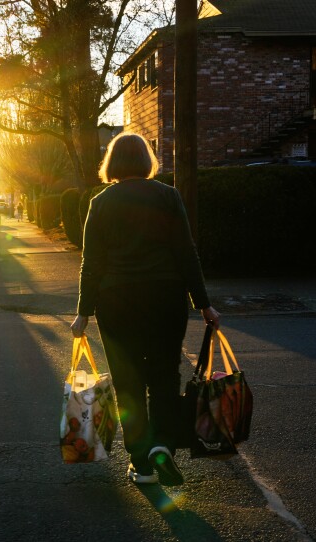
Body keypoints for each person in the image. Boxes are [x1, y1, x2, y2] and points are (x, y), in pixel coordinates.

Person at [70, 133, 221, 486]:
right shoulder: (168, 197)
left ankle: (142, 462)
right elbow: (187, 253)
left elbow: (90, 262)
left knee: (129, 383)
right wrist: (204, 304)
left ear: (112, 163)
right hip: (166, 297)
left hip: (117, 301)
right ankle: (164, 446)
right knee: (164, 377)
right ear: (146, 159)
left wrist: (83, 311)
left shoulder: (101, 202)